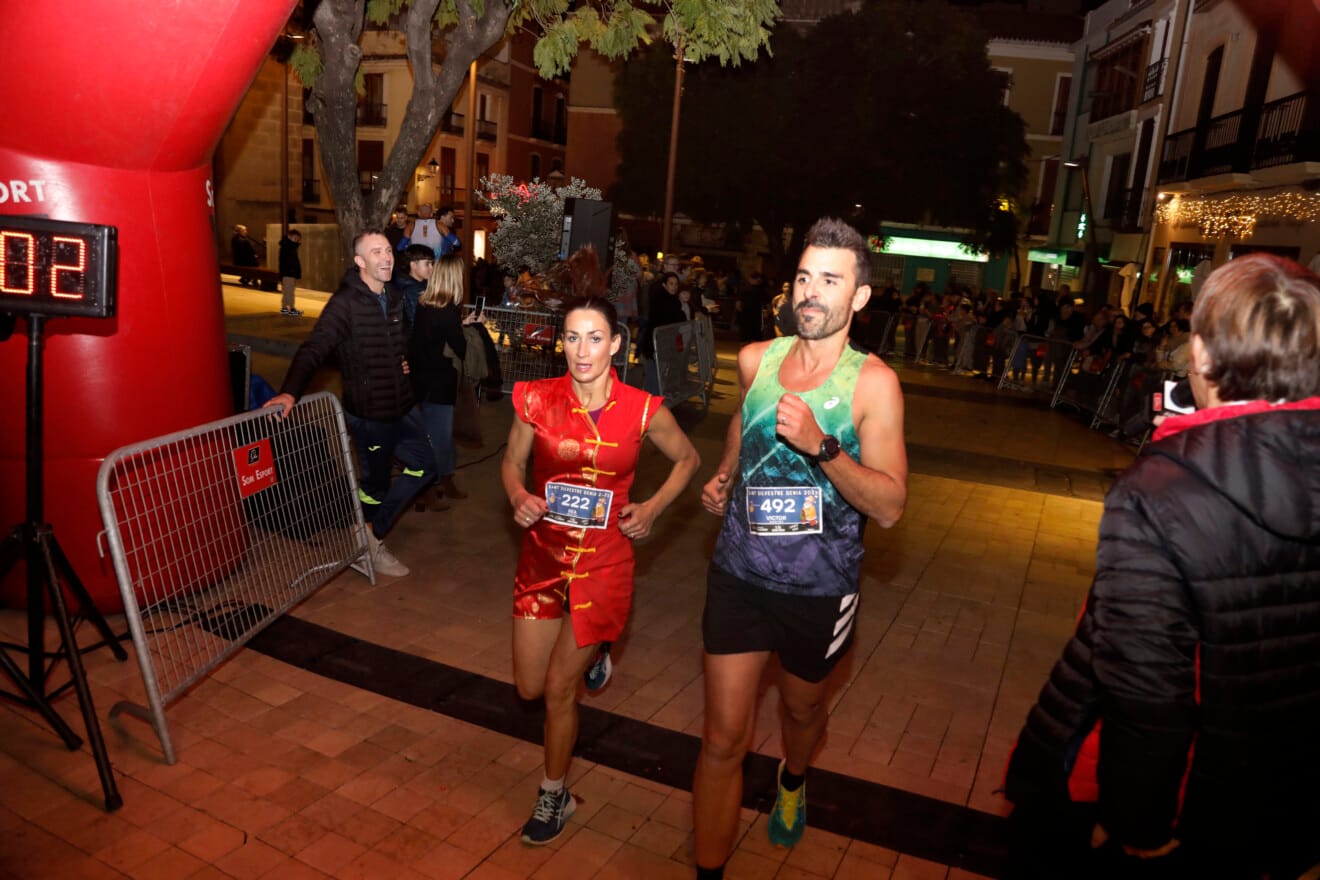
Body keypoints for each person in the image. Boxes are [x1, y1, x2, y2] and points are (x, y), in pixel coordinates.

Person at [1004, 254, 1320, 879]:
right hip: (1289, 797)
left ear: (1200, 356)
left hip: (1187, 804)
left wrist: (1137, 827)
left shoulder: (1159, 489)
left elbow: (1148, 692)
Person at [693, 218, 908, 878]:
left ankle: (793, 775)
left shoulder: (873, 384)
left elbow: (891, 506)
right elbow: (743, 419)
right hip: (739, 573)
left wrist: (821, 445)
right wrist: (727, 472)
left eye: (831, 281)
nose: (811, 293)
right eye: (805, 278)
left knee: (800, 707)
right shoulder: (758, 359)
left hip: (821, 588)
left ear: (859, 298)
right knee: (723, 738)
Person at [502, 295, 700, 846]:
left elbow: (688, 459)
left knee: (561, 690)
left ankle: (553, 792)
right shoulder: (535, 400)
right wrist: (518, 494)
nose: (581, 350)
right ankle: (602, 648)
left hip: (604, 559)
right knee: (529, 687)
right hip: (543, 555)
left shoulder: (642, 408)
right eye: (571, 337)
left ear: (616, 344)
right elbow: (513, 461)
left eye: (595, 338)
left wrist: (653, 508)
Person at [263, 229, 431, 578]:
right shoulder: (345, 304)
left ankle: (367, 534)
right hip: (370, 412)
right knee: (374, 486)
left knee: (425, 467)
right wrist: (290, 391)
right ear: (359, 262)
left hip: (402, 403)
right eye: (376, 252)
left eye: (387, 250)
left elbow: (402, 339)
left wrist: (404, 360)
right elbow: (314, 349)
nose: (386, 258)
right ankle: (367, 540)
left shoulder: (395, 295)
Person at [408, 254, 481, 513]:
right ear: (453, 278)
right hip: (439, 383)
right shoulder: (447, 311)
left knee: (443, 436)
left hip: (424, 380)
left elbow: (433, 337)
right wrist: (472, 329)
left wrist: (460, 324)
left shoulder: (426, 305)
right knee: (438, 439)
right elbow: (461, 348)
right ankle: (427, 489)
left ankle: (445, 480)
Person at [395, 244, 435, 329]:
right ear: (413, 265)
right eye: (427, 264)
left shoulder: (425, 284)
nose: (432, 268)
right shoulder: (409, 289)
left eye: (432, 263)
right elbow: (417, 323)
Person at [278, 229, 303, 317]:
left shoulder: (286, 246)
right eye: (295, 238)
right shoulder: (289, 247)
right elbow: (291, 261)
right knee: (290, 291)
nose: (296, 240)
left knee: (286, 291)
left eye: (297, 239)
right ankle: (292, 308)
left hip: (286, 272)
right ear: (289, 237)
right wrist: (294, 271)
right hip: (289, 273)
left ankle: (284, 308)